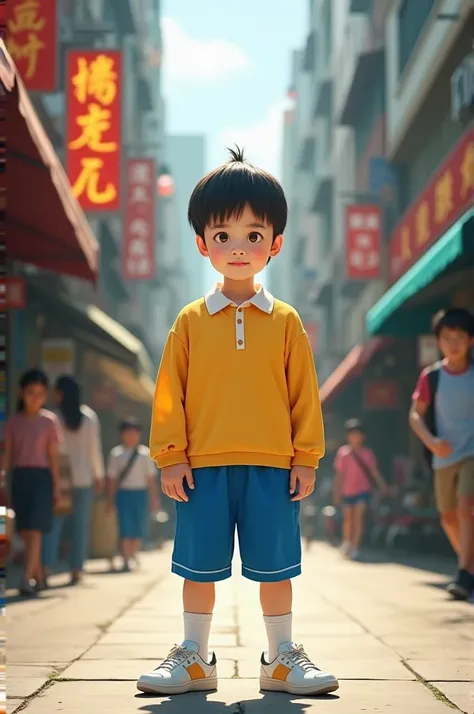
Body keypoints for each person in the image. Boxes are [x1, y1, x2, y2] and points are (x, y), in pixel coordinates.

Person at [138, 146, 339, 698]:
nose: (238, 248)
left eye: (254, 235)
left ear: (275, 244)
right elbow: (168, 395)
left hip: (274, 465)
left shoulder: (287, 322)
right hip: (201, 467)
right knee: (197, 569)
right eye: (223, 236)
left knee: (277, 569)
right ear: (203, 244)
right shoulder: (190, 321)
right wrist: (170, 455)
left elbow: (305, 396)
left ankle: (279, 660)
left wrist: (307, 457)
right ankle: (195, 658)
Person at [410, 307, 474, 600]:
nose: (454, 343)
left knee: (465, 507)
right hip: (443, 454)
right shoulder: (431, 377)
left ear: (470, 340)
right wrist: (432, 441)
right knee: (448, 516)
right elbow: (415, 415)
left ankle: (463, 573)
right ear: (438, 341)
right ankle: (469, 567)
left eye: (460, 337)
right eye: (447, 337)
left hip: (471, 453)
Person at [2, 369, 62, 595]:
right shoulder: (13, 423)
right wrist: (3, 480)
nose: (34, 398)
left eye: (40, 393)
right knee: (25, 530)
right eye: (30, 393)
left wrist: (56, 487)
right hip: (21, 477)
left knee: (36, 530)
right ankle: (37, 573)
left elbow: (53, 458)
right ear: (21, 393)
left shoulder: (49, 422)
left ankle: (27, 578)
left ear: (45, 395)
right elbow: (7, 456)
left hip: (42, 479)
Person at [41, 375, 105, 586]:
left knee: (54, 526)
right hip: (85, 478)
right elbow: (94, 449)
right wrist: (99, 475)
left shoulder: (54, 417)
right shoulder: (89, 417)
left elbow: (52, 452)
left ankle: (46, 568)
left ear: (61, 394)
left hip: (61, 479)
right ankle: (77, 569)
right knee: (80, 526)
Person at [106, 418, 159, 572]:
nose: (131, 436)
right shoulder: (116, 454)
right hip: (123, 494)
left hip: (140, 494)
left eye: (134, 433)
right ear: (122, 435)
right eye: (127, 433)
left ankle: (132, 554)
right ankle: (126, 558)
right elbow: (111, 479)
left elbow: (150, 479)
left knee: (138, 526)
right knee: (125, 526)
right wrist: (110, 499)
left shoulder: (145, 454)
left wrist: (154, 498)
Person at [333, 419, 389, 561]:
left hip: (363, 490)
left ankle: (356, 547)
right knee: (348, 518)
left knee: (359, 518)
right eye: (352, 434)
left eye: (358, 434)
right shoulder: (343, 453)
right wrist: (336, 492)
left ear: (363, 436)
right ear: (348, 436)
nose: (355, 437)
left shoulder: (367, 453)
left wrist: (383, 486)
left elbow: (374, 471)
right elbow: (339, 475)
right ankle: (347, 542)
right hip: (347, 491)